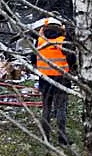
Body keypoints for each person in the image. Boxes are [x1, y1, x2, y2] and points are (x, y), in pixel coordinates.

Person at [31, 17, 77, 146]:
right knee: (61, 108)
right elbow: (72, 60)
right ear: (60, 28)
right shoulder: (64, 42)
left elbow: (33, 60)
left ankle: (45, 138)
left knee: (46, 109)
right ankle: (62, 139)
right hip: (61, 79)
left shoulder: (40, 41)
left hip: (44, 80)